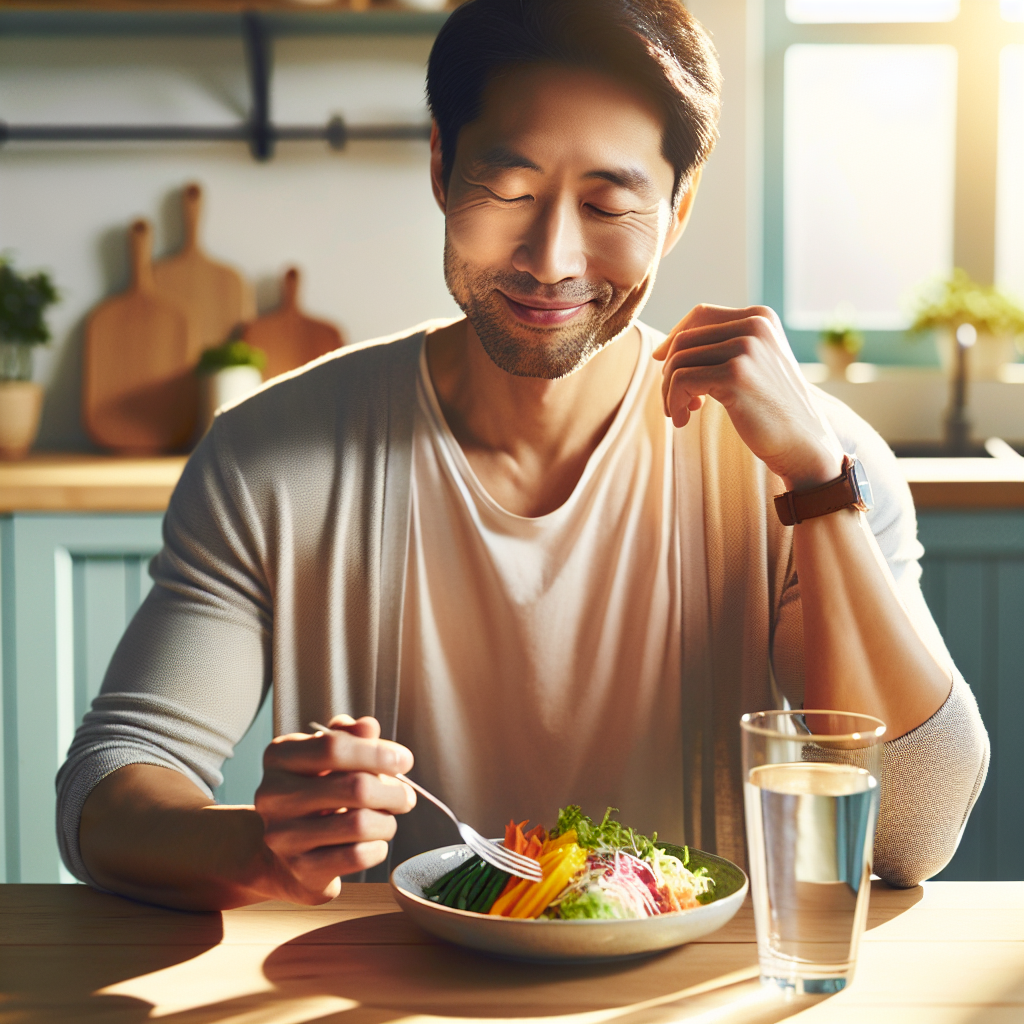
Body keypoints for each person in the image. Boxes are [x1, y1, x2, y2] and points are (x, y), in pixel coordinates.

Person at [58, 0, 988, 911]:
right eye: (508, 191)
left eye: (608, 202)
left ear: (679, 206)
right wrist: (264, 849)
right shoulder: (272, 457)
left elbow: (916, 834)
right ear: (439, 167)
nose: (550, 258)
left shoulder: (809, 465)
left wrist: (820, 488)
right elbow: (109, 790)